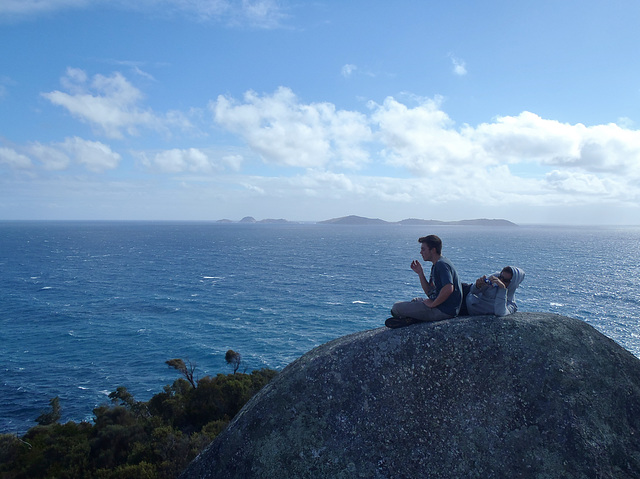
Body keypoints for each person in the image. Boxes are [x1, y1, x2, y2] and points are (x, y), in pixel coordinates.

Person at [386, 235, 462, 328]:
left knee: (396, 308)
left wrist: (433, 304)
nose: (421, 252)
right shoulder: (437, 264)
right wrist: (420, 273)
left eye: (423, 249)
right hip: (444, 308)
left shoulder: (441, 265)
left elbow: (449, 288)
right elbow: (430, 293)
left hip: (443, 311)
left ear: (433, 250)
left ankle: (412, 318)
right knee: (416, 300)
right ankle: (413, 318)